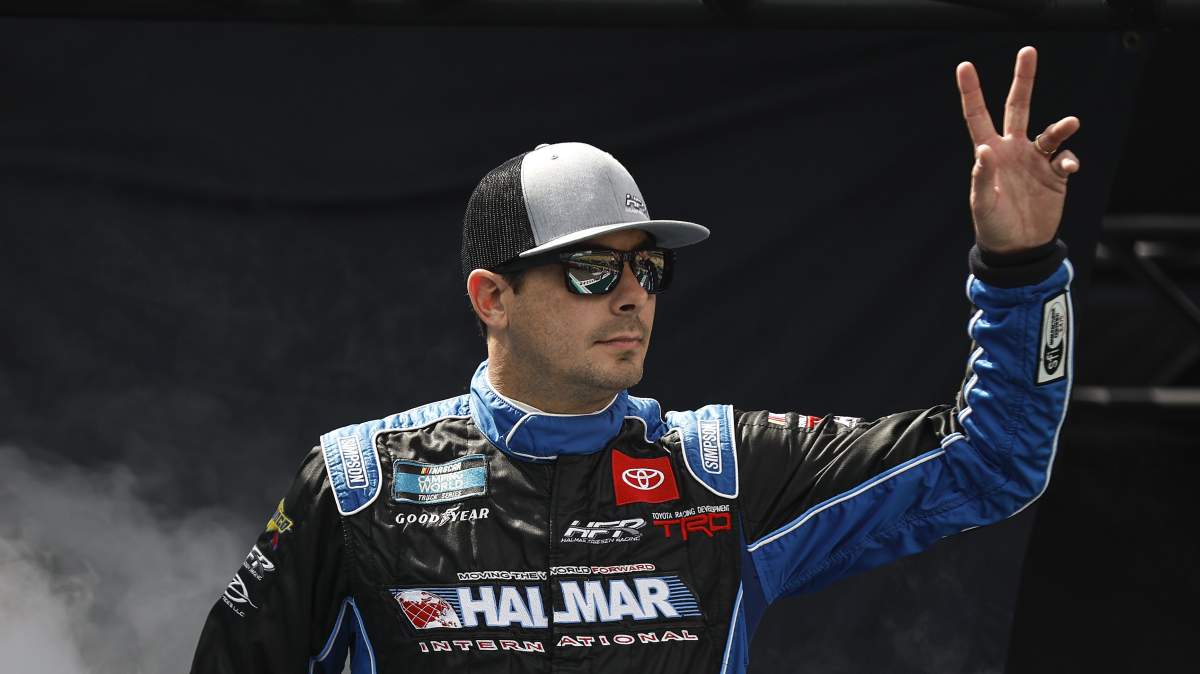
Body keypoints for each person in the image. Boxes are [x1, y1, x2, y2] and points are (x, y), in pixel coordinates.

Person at [190, 45, 1081, 673]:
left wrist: (1020, 270)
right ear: (492, 297)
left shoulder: (722, 472)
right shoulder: (359, 484)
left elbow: (991, 461)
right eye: (591, 269)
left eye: (647, 268)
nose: (631, 295)